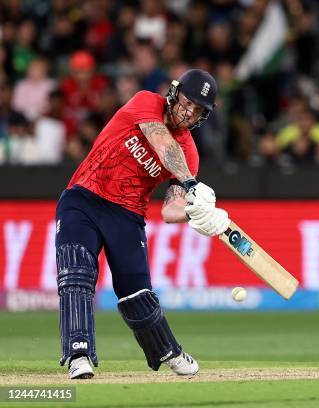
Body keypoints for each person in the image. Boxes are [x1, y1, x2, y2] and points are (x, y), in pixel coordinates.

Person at [55, 69, 230, 379]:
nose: (188, 113)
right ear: (175, 94)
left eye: (198, 110)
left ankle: (169, 352)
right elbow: (162, 143)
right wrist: (191, 183)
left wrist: (196, 213)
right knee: (76, 273)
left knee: (137, 294)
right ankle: (78, 355)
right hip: (84, 198)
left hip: (127, 216)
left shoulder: (190, 153)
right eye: (187, 102)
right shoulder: (146, 102)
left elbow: (170, 209)